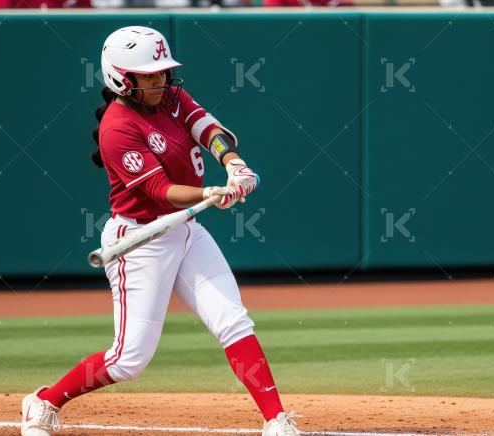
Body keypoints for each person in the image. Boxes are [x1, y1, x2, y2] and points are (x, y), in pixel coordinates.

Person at [19, 26, 301, 436]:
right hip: (139, 241)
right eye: (148, 75)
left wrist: (233, 163)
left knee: (232, 320)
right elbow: (158, 191)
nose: (160, 80)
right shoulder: (117, 127)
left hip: (185, 230)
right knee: (128, 360)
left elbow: (207, 128)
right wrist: (210, 192)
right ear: (121, 77)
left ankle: (276, 420)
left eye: (162, 72)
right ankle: (45, 402)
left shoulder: (170, 96)